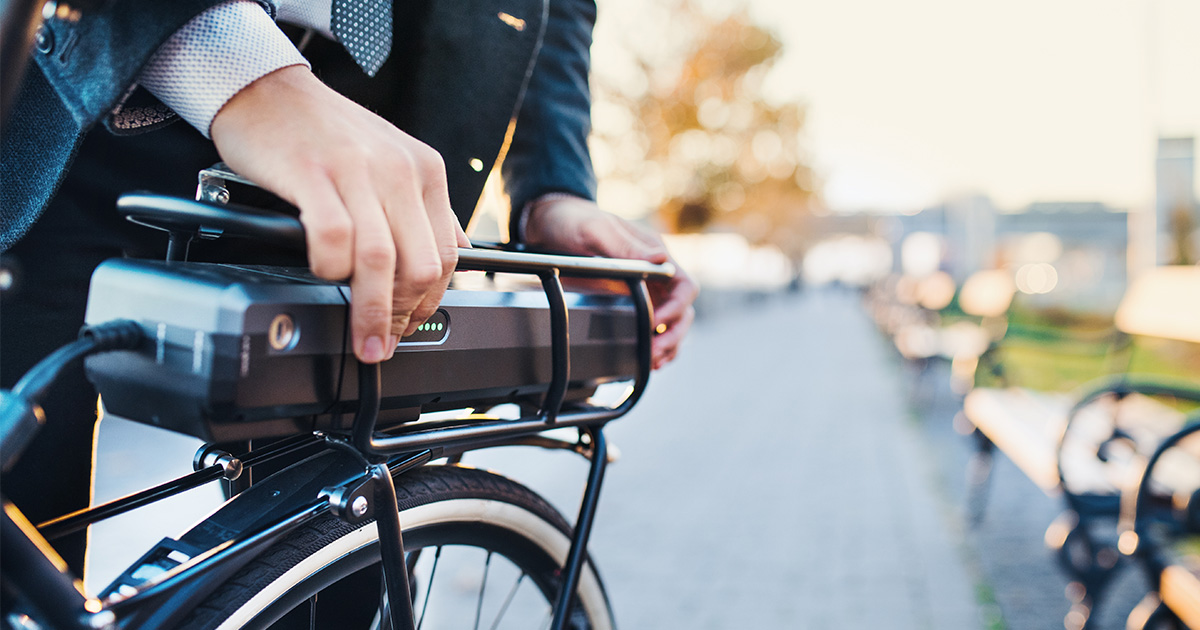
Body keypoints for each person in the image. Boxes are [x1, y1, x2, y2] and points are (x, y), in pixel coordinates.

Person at [0, 0, 697, 572]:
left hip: (374, 135)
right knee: (23, 520)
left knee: (338, 555)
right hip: (77, 95)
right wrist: (234, 66)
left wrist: (555, 186)